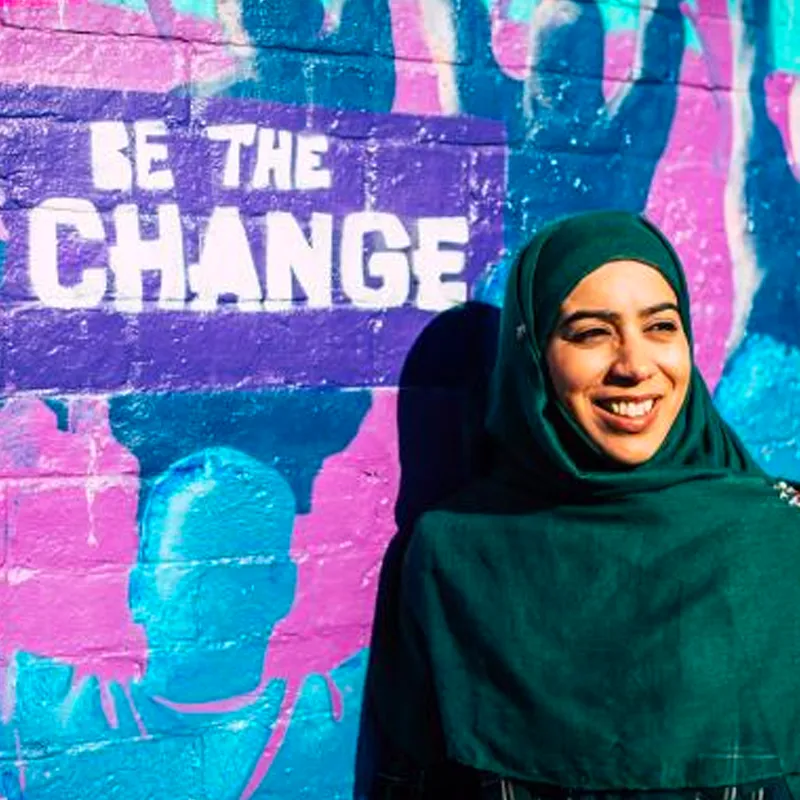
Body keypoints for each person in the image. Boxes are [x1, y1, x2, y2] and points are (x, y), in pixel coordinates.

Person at [367, 210, 800, 800]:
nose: (634, 366)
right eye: (591, 333)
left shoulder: (777, 538)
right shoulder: (454, 556)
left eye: (661, 327)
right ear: (533, 356)